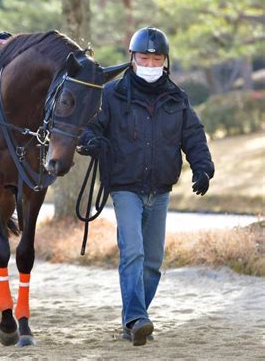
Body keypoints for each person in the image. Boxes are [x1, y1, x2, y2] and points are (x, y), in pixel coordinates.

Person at [78, 27, 214, 346]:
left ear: (165, 61)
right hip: (124, 186)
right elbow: (88, 127)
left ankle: (134, 320)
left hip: (161, 189)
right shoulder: (111, 95)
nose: (150, 64)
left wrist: (203, 168)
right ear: (132, 59)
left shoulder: (177, 97)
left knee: (153, 262)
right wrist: (91, 140)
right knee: (134, 251)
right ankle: (137, 318)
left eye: (156, 59)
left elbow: (193, 135)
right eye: (144, 58)